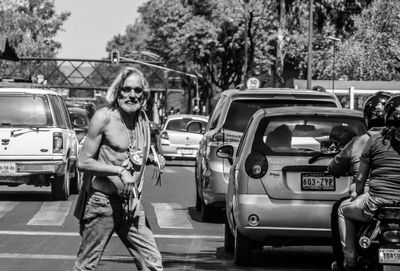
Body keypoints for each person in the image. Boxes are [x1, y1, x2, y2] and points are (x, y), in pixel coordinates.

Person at [72, 66, 164, 271]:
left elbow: (132, 153)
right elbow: (83, 162)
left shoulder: (141, 120)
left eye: (137, 91)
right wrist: (118, 171)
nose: (132, 95)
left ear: (144, 94)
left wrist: (151, 158)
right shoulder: (104, 117)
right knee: (86, 266)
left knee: (152, 263)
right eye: (126, 89)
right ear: (117, 91)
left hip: (131, 204)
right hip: (103, 203)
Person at [328, 91, 392, 271]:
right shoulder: (388, 141)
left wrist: (356, 189)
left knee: (340, 209)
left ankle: (348, 260)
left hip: (373, 200)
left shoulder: (366, 142)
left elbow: (360, 178)